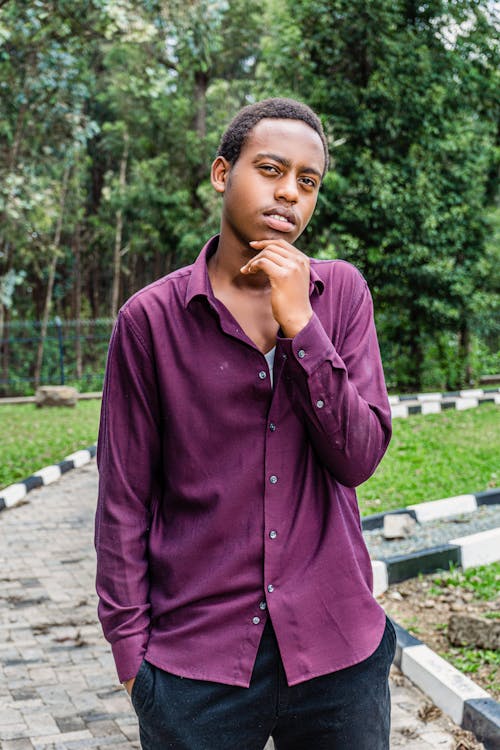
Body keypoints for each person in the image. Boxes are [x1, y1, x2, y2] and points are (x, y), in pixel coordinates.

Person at [95, 97, 395, 750]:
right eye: (270, 169)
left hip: (338, 650)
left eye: (307, 182)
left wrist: (301, 326)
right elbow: (123, 500)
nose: (289, 192)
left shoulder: (341, 296)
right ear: (221, 173)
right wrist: (130, 660)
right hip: (195, 668)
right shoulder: (150, 322)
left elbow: (360, 457)